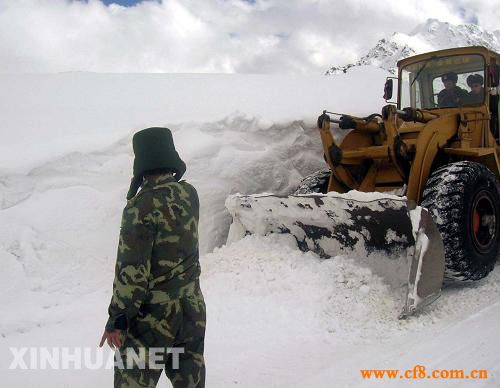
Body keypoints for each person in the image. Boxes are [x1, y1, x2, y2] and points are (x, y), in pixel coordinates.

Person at [99, 127, 206, 388]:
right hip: (192, 308)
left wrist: (117, 318)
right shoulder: (189, 194)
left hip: (154, 316)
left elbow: (132, 272)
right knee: (189, 378)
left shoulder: (139, 207)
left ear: (141, 162)